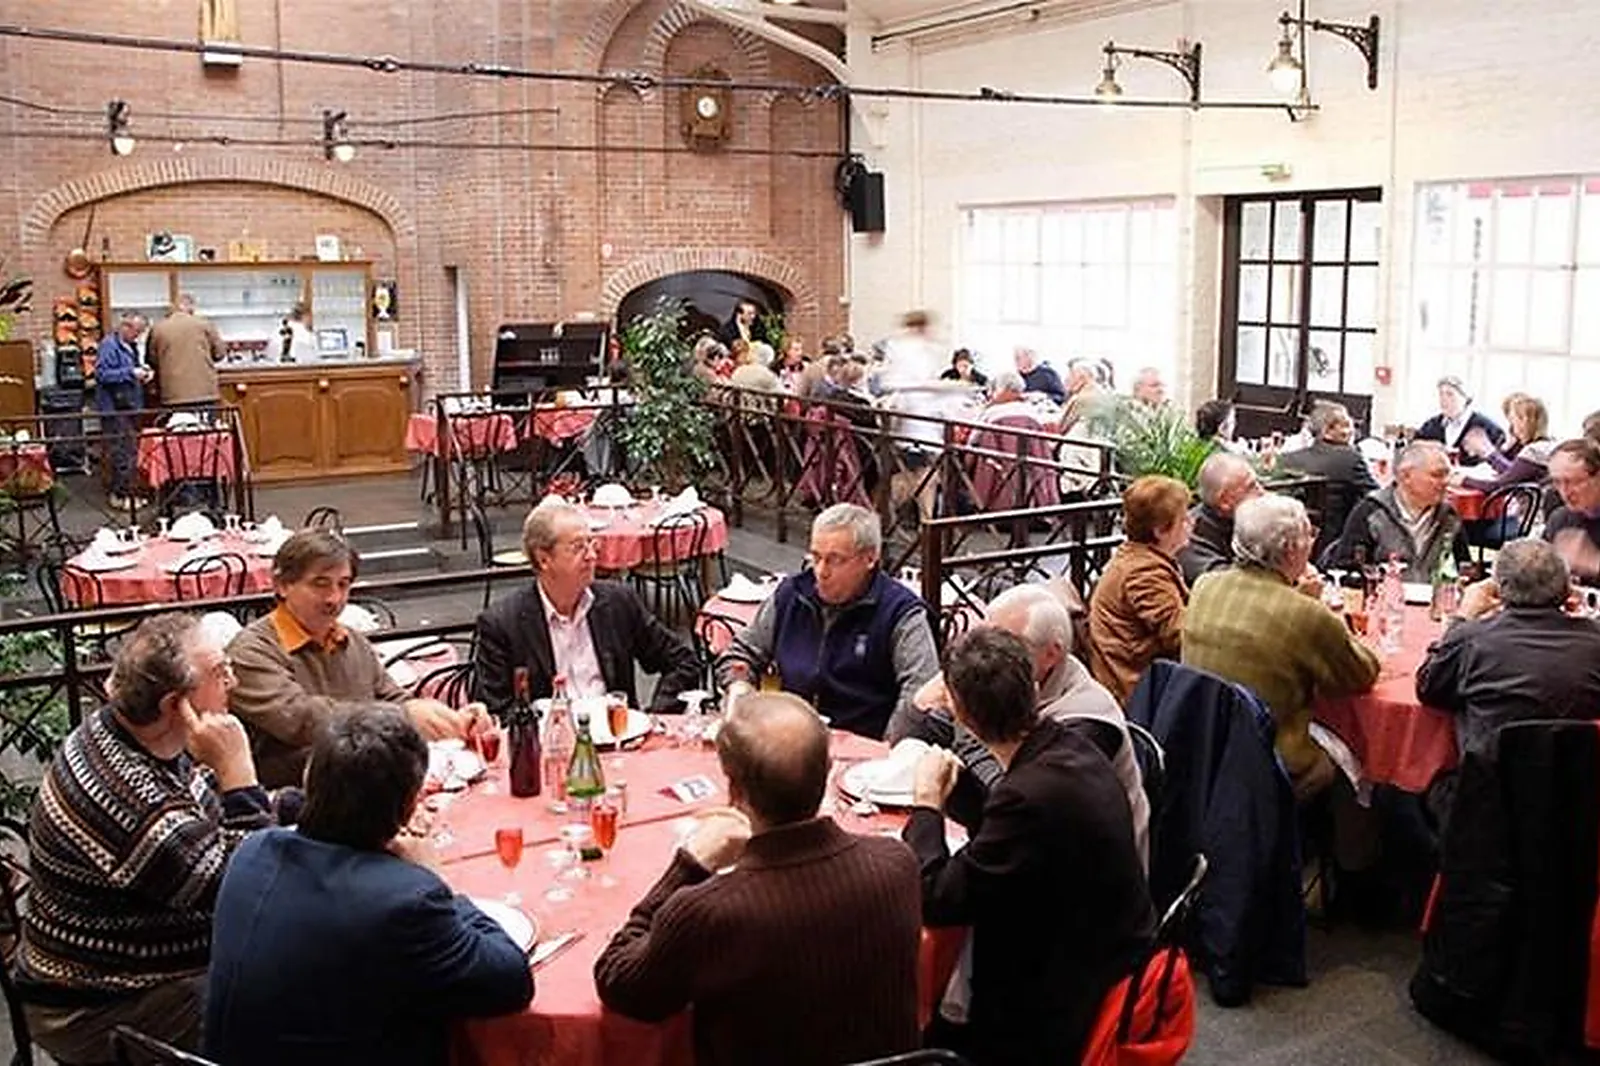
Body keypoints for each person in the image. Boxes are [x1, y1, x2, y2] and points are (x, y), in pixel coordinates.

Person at [595, 692, 921, 1066]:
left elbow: (618, 982)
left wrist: (688, 866)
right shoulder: (898, 865)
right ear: (829, 771)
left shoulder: (709, 913)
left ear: (734, 790)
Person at [205, 704, 534, 1065]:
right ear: (409, 808)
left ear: (309, 778)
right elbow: (512, 981)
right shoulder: (405, 901)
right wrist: (441, 883)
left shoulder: (252, 851)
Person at [16, 614, 271, 1062]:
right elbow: (255, 887)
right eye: (219, 671)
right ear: (176, 705)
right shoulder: (132, 801)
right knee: (302, 997)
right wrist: (239, 775)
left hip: (126, 963)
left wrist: (308, 804)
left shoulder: (135, 734)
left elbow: (205, 812)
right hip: (98, 1006)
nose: (232, 677)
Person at [907, 628, 1154, 1065]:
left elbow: (936, 898)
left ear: (961, 713)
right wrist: (958, 787)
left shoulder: (1029, 796)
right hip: (1110, 952)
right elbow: (1010, 833)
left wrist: (926, 806)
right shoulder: (1067, 746)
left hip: (1062, 999)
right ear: (1033, 689)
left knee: (933, 1021)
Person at [229, 530, 485, 788]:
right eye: (320, 583)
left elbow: (391, 697)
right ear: (282, 585)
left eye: (343, 584)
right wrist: (402, 715)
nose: (335, 598)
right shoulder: (251, 652)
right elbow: (302, 719)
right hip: (294, 802)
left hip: (363, 789)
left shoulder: (352, 641)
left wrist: (445, 718)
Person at [1183, 494, 1380, 797]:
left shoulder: (1206, 585)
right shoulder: (1306, 614)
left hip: (1204, 740)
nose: (1313, 542)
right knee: (1353, 767)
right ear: (1291, 549)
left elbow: (1261, 617)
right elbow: (1361, 675)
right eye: (1309, 535)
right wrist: (1333, 618)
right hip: (1268, 755)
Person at [715, 503, 939, 740]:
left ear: (870, 558)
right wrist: (740, 689)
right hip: (790, 743)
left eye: (835, 560)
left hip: (863, 749)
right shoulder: (792, 595)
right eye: (816, 557)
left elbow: (921, 693)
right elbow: (740, 653)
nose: (821, 571)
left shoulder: (900, 612)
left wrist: (886, 750)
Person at [475, 497, 700, 715]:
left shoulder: (617, 602)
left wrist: (653, 717)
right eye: (578, 547)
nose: (592, 556)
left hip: (619, 740)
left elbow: (683, 662)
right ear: (544, 559)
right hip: (552, 746)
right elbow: (495, 711)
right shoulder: (503, 623)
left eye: (592, 544)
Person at [1416, 538, 1600, 765]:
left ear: (1499, 589)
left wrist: (1461, 618)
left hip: (1484, 791)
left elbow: (1428, 688)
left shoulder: (1471, 640)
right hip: (1582, 790)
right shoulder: (1594, 640)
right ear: (1567, 587)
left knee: (1402, 792)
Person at [1089, 475, 1192, 705]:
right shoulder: (1144, 574)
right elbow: (1180, 635)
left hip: (1138, 679)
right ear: (1160, 531)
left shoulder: (1136, 557)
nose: (1191, 524)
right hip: (1137, 693)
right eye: (1183, 519)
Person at [1326, 440, 1470, 582]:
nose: (1446, 482)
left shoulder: (1448, 516)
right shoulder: (1371, 511)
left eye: (1447, 475)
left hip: (1435, 601)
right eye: (1437, 475)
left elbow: (1464, 569)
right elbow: (1347, 570)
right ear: (1405, 476)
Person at [1278, 401, 1379, 561]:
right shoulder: (1349, 459)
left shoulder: (1287, 459)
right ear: (1327, 431)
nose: (1351, 431)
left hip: (1287, 541)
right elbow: (1376, 498)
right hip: (1333, 545)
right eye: (1345, 425)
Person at [95, 312, 155, 509]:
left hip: (128, 405)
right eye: (136, 332)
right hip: (115, 408)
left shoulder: (130, 346)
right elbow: (102, 374)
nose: (137, 336)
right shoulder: (109, 345)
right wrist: (130, 373)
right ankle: (120, 495)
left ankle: (127, 493)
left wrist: (142, 371)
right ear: (126, 326)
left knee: (129, 452)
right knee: (122, 453)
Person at [1178, 452, 1263, 585]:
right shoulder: (1189, 535)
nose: (1261, 492)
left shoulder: (1247, 519)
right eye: (1251, 487)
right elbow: (1228, 586)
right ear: (1225, 501)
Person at [147, 292, 226, 413]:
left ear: (173, 308)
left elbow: (151, 359)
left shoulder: (158, 328)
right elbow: (219, 354)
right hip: (204, 391)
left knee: (178, 428)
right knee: (207, 429)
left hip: (172, 393)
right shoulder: (205, 325)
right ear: (191, 307)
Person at [1544, 437, 1600, 585]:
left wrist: (1594, 563)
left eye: (1574, 482)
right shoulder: (1561, 518)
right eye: (1557, 482)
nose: (1565, 493)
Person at [1415, 375, 1505, 452]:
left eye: (1450, 394)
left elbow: (1497, 456)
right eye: (1441, 394)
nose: (1443, 399)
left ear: (1465, 398)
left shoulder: (1487, 426)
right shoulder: (1431, 425)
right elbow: (1414, 448)